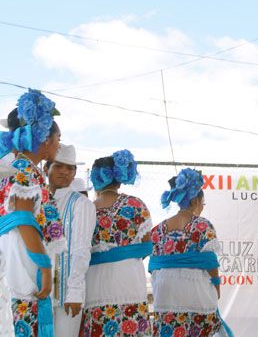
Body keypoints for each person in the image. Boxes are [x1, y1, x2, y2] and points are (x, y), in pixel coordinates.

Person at [0, 89, 64, 336]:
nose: (59, 144)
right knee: (26, 321)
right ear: (45, 139)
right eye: (58, 138)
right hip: (24, 261)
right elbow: (24, 220)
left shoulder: (14, 166)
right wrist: (45, 266)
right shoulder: (25, 170)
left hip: (14, 255)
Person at [149, 168, 232, 337]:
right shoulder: (203, 226)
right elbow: (210, 262)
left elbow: (153, 266)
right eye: (203, 202)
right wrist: (216, 286)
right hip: (195, 295)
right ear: (196, 200)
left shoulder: (157, 230)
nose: (202, 206)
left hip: (165, 297)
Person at [81, 149, 153, 336]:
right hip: (129, 277)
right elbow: (146, 246)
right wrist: (125, 254)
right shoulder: (136, 205)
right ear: (120, 179)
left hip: (95, 281)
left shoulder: (87, 209)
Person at [44, 144, 96, 336]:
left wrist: (74, 291)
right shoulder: (36, 200)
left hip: (66, 293)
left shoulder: (81, 204)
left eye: (70, 168)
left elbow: (81, 249)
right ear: (46, 168)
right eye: (59, 166)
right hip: (37, 291)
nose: (65, 172)